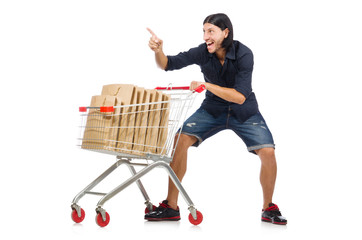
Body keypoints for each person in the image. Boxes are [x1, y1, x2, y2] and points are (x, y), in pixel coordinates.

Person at [145, 13, 287, 225]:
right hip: (212, 109)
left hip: (244, 111)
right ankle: (171, 207)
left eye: (211, 31)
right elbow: (167, 64)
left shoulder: (244, 54)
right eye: (204, 31)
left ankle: (268, 208)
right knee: (179, 140)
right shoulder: (203, 52)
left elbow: (240, 96)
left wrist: (207, 86)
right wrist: (159, 51)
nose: (205, 36)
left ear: (225, 33)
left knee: (268, 151)